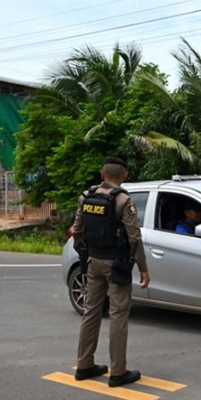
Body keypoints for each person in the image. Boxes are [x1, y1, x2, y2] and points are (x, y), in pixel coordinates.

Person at [72, 157, 150, 388]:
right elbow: (134, 238)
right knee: (118, 314)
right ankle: (118, 371)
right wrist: (143, 268)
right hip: (117, 264)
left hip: (93, 261)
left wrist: (85, 257)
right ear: (124, 176)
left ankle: (84, 365)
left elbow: (77, 231)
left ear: (101, 174)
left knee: (91, 312)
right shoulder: (123, 201)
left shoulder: (86, 197)